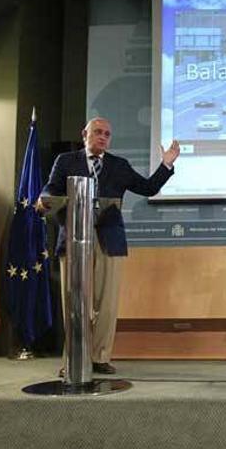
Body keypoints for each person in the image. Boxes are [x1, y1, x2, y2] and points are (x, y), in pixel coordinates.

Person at [39, 117, 180, 374]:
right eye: (97, 132)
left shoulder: (119, 165)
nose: (102, 137)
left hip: (109, 240)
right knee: (74, 302)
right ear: (85, 133)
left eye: (107, 134)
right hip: (73, 239)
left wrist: (166, 164)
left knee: (107, 303)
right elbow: (51, 187)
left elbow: (147, 188)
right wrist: (44, 198)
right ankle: (73, 359)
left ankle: (99, 357)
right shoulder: (66, 161)